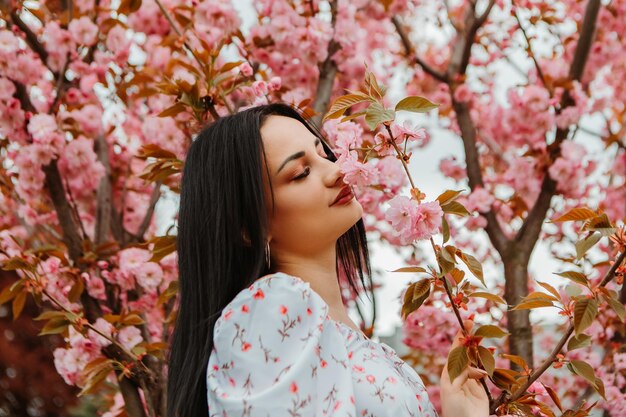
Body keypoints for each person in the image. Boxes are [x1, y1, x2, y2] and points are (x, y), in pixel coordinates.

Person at [167, 103, 489, 417]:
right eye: (301, 172)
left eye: (323, 153)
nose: (336, 170)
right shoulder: (272, 309)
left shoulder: (339, 331)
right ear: (249, 229)